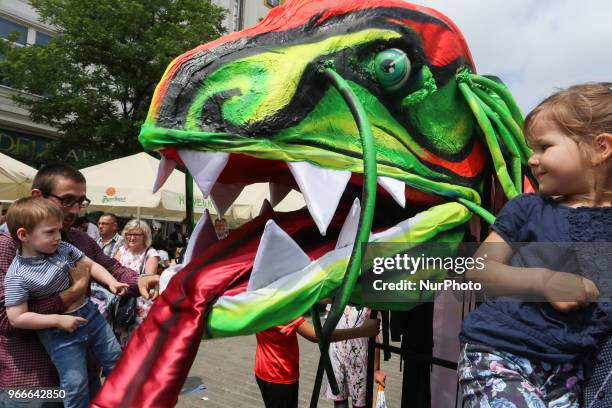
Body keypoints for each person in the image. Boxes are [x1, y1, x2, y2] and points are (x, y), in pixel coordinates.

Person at [458, 83, 612, 407]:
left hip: (569, 371)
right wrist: (545, 281)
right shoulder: (527, 209)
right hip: (501, 354)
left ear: (601, 148)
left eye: (544, 146)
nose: (532, 159)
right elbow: (478, 270)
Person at [0, 163, 159, 407]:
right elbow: (6, 320)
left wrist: (141, 279)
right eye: (67, 200)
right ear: (37, 197)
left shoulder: (75, 239)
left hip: (84, 375)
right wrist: (71, 294)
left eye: (81, 201)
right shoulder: (6, 247)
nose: (75, 210)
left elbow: (110, 267)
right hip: (32, 385)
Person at [4, 197, 129, 408]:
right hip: (58, 333)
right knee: (75, 383)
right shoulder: (17, 275)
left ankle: (127, 400)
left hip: (91, 316)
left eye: (59, 230)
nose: (58, 236)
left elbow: (90, 264)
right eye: (50, 232)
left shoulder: (62, 248)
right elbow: (16, 318)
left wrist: (112, 282)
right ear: (23, 235)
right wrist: (57, 320)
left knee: (116, 360)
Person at [255, 314, 380, 408]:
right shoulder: (283, 309)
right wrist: (363, 331)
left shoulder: (260, 300)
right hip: (280, 374)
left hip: (262, 369)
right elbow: (317, 336)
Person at [323, 306, 386, 408]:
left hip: (360, 363)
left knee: (360, 403)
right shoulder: (337, 298)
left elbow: (374, 336)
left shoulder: (367, 303)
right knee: (339, 402)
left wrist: (376, 369)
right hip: (337, 361)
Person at [113, 219, 160, 347]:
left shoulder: (150, 254)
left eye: (136, 235)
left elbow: (148, 282)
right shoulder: (122, 251)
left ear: (144, 236)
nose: (131, 237)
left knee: (136, 343)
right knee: (119, 341)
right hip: (121, 301)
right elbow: (112, 273)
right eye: (129, 234)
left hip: (140, 303)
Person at [92, 212, 125, 321]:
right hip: (93, 291)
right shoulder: (95, 242)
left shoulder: (123, 243)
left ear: (114, 226)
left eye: (104, 224)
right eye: (99, 223)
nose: (100, 226)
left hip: (110, 292)